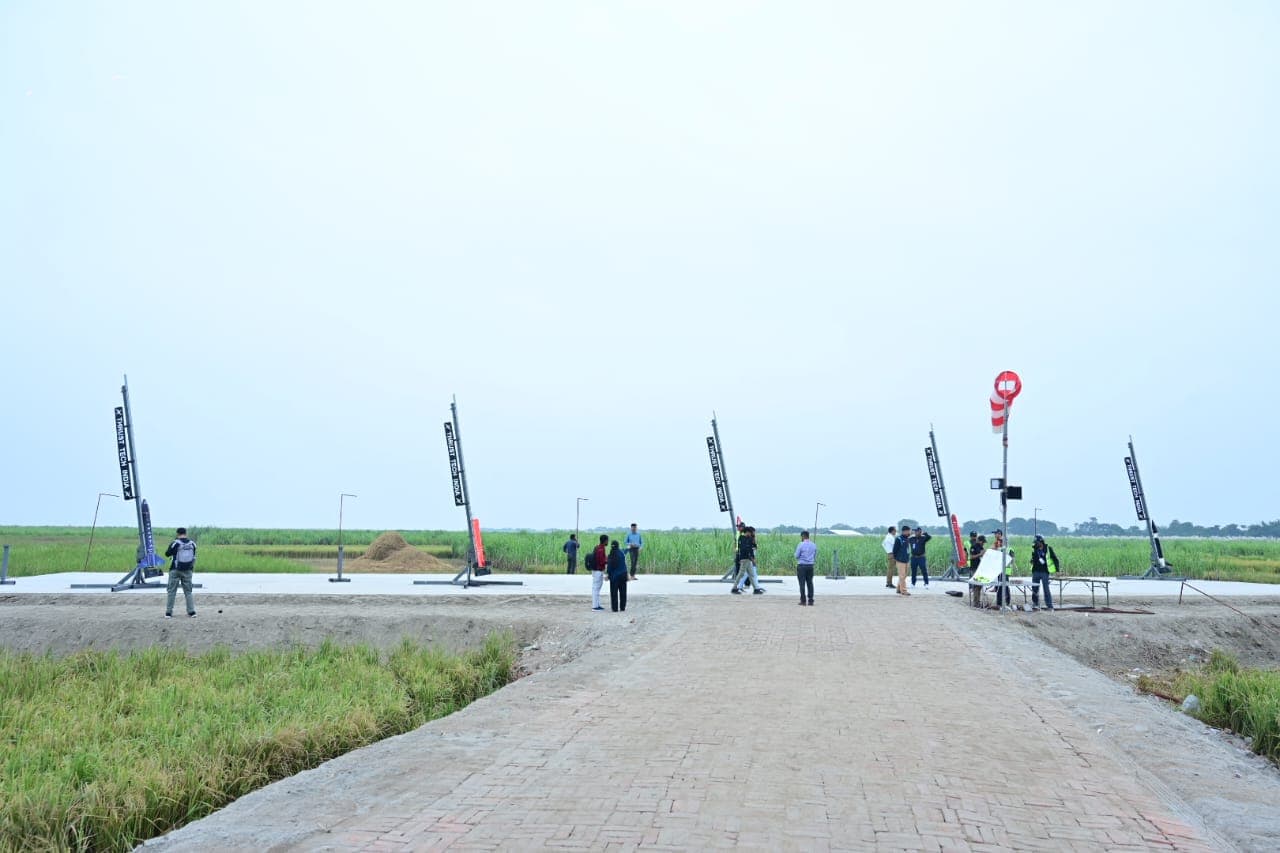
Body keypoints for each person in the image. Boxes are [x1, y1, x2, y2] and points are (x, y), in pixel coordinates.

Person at [163, 527, 197, 618]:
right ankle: (191, 612)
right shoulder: (192, 544)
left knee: (171, 591)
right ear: (186, 533)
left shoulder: (175, 543)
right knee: (188, 592)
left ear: (177, 534)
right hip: (188, 570)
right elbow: (193, 556)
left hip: (175, 570)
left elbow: (167, 554)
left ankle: (169, 612)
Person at [1029, 534, 1061, 611]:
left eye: (1037, 542)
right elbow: (1033, 559)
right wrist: (1032, 561)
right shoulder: (1034, 549)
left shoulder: (1048, 549)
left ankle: (1049, 606)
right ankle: (1035, 603)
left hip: (1045, 572)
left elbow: (1055, 559)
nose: (1035, 544)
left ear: (1041, 542)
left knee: (1046, 589)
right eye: (1035, 542)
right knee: (1034, 589)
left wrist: (1057, 571)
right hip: (1035, 572)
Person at [732, 526, 764, 594]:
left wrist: (753, 539)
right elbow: (748, 549)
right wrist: (752, 559)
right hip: (745, 559)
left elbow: (754, 546)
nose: (752, 534)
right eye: (751, 533)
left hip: (747, 559)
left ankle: (756, 589)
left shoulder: (743, 538)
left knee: (751, 574)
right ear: (747, 532)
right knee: (741, 574)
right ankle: (734, 588)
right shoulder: (745, 539)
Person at [795, 530, 817, 606]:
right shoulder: (813, 545)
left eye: (801, 536)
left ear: (803, 536)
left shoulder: (800, 544)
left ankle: (803, 601)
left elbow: (796, 556)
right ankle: (811, 600)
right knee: (810, 583)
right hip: (810, 566)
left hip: (802, 566)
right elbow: (814, 556)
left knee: (802, 583)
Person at [606, 539, 629, 612]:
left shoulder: (611, 554)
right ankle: (622, 607)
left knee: (614, 593)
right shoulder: (621, 553)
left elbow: (609, 566)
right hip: (623, 575)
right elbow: (625, 552)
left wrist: (608, 574)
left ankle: (615, 608)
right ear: (618, 546)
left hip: (614, 577)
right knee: (623, 592)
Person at [589, 534, 608, 611]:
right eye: (607, 540)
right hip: (598, 571)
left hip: (596, 570)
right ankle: (595, 606)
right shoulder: (601, 549)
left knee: (596, 588)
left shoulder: (597, 547)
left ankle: (597, 605)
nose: (608, 542)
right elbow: (601, 561)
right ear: (605, 540)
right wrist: (607, 560)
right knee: (596, 588)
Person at [892, 524, 912, 595]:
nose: (910, 532)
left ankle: (898, 589)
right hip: (900, 561)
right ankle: (904, 591)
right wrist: (897, 559)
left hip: (907, 560)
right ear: (904, 531)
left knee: (904, 576)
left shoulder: (907, 539)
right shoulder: (899, 539)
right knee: (902, 576)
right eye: (909, 531)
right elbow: (894, 551)